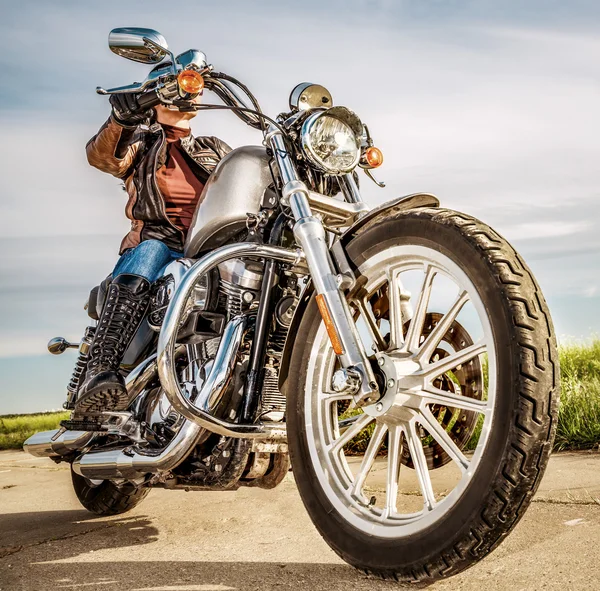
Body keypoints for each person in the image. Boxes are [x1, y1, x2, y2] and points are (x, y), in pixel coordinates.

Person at [74, 73, 231, 415]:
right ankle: (101, 370)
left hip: (207, 247)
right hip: (158, 242)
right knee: (152, 250)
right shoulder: (141, 142)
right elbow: (105, 157)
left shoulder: (214, 149)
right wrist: (122, 119)